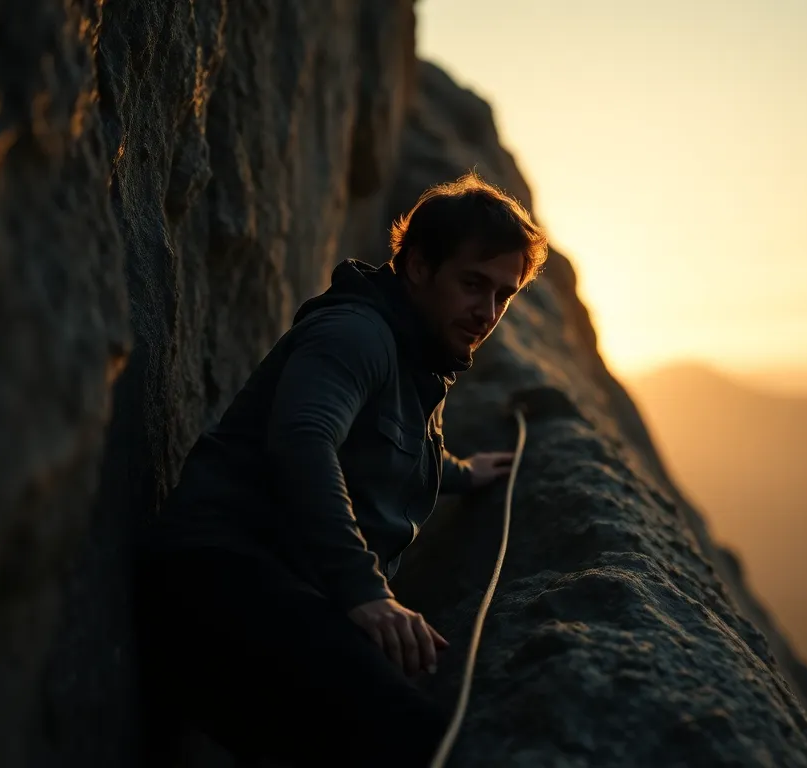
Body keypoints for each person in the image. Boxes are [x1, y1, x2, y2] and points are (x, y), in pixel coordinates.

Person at [135, 171, 549, 767]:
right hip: (217, 581)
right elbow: (304, 440)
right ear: (417, 268)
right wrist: (365, 592)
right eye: (472, 284)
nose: (487, 312)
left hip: (274, 588)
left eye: (503, 295)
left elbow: (390, 451)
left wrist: (463, 473)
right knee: (417, 741)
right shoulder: (356, 333)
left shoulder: (417, 356)